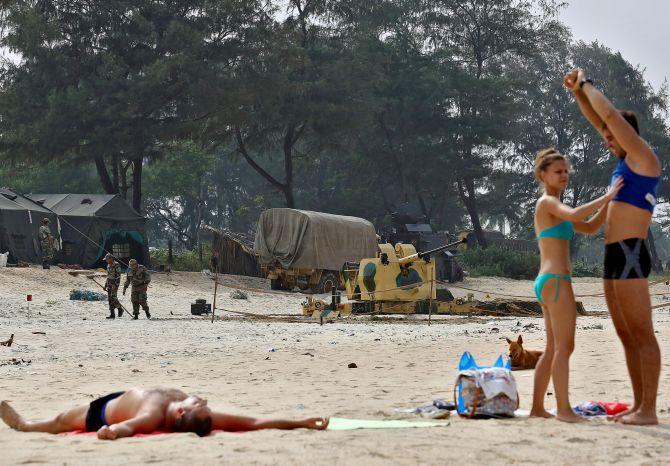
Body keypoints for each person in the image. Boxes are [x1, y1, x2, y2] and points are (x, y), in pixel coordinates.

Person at [565, 68, 662, 425]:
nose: (606, 137)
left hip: (632, 254)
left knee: (642, 333)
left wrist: (586, 82)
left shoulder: (644, 160)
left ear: (628, 134)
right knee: (624, 334)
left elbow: (606, 115)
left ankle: (649, 410)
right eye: (605, 135)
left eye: (612, 133)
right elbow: (599, 120)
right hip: (612, 257)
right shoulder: (621, 170)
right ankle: (639, 406)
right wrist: (577, 93)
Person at [530, 148, 623, 423]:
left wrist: (610, 200)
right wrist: (606, 195)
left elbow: (591, 226)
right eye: (558, 171)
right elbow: (576, 213)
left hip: (547, 282)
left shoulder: (554, 207)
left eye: (566, 171)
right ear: (543, 174)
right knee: (564, 347)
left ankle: (537, 408)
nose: (564, 175)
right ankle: (563, 410)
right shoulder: (548, 203)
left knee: (552, 348)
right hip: (556, 281)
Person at [0, 387, 329, 440]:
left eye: (202, 403)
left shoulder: (155, 415)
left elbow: (123, 428)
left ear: (184, 411)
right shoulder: (197, 413)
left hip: (101, 412)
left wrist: (112, 431)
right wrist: (300, 421)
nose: (205, 401)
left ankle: (23, 425)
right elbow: (256, 423)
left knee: (57, 423)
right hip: (124, 396)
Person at [104, 253, 123, 319]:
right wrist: (105, 285)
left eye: (107, 259)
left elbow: (118, 276)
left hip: (115, 283)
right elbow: (108, 276)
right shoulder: (108, 265)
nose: (106, 261)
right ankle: (112, 314)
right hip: (109, 283)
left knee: (113, 296)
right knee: (110, 298)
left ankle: (120, 308)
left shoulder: (116, 265)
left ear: (111, 259)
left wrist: (115, 284)